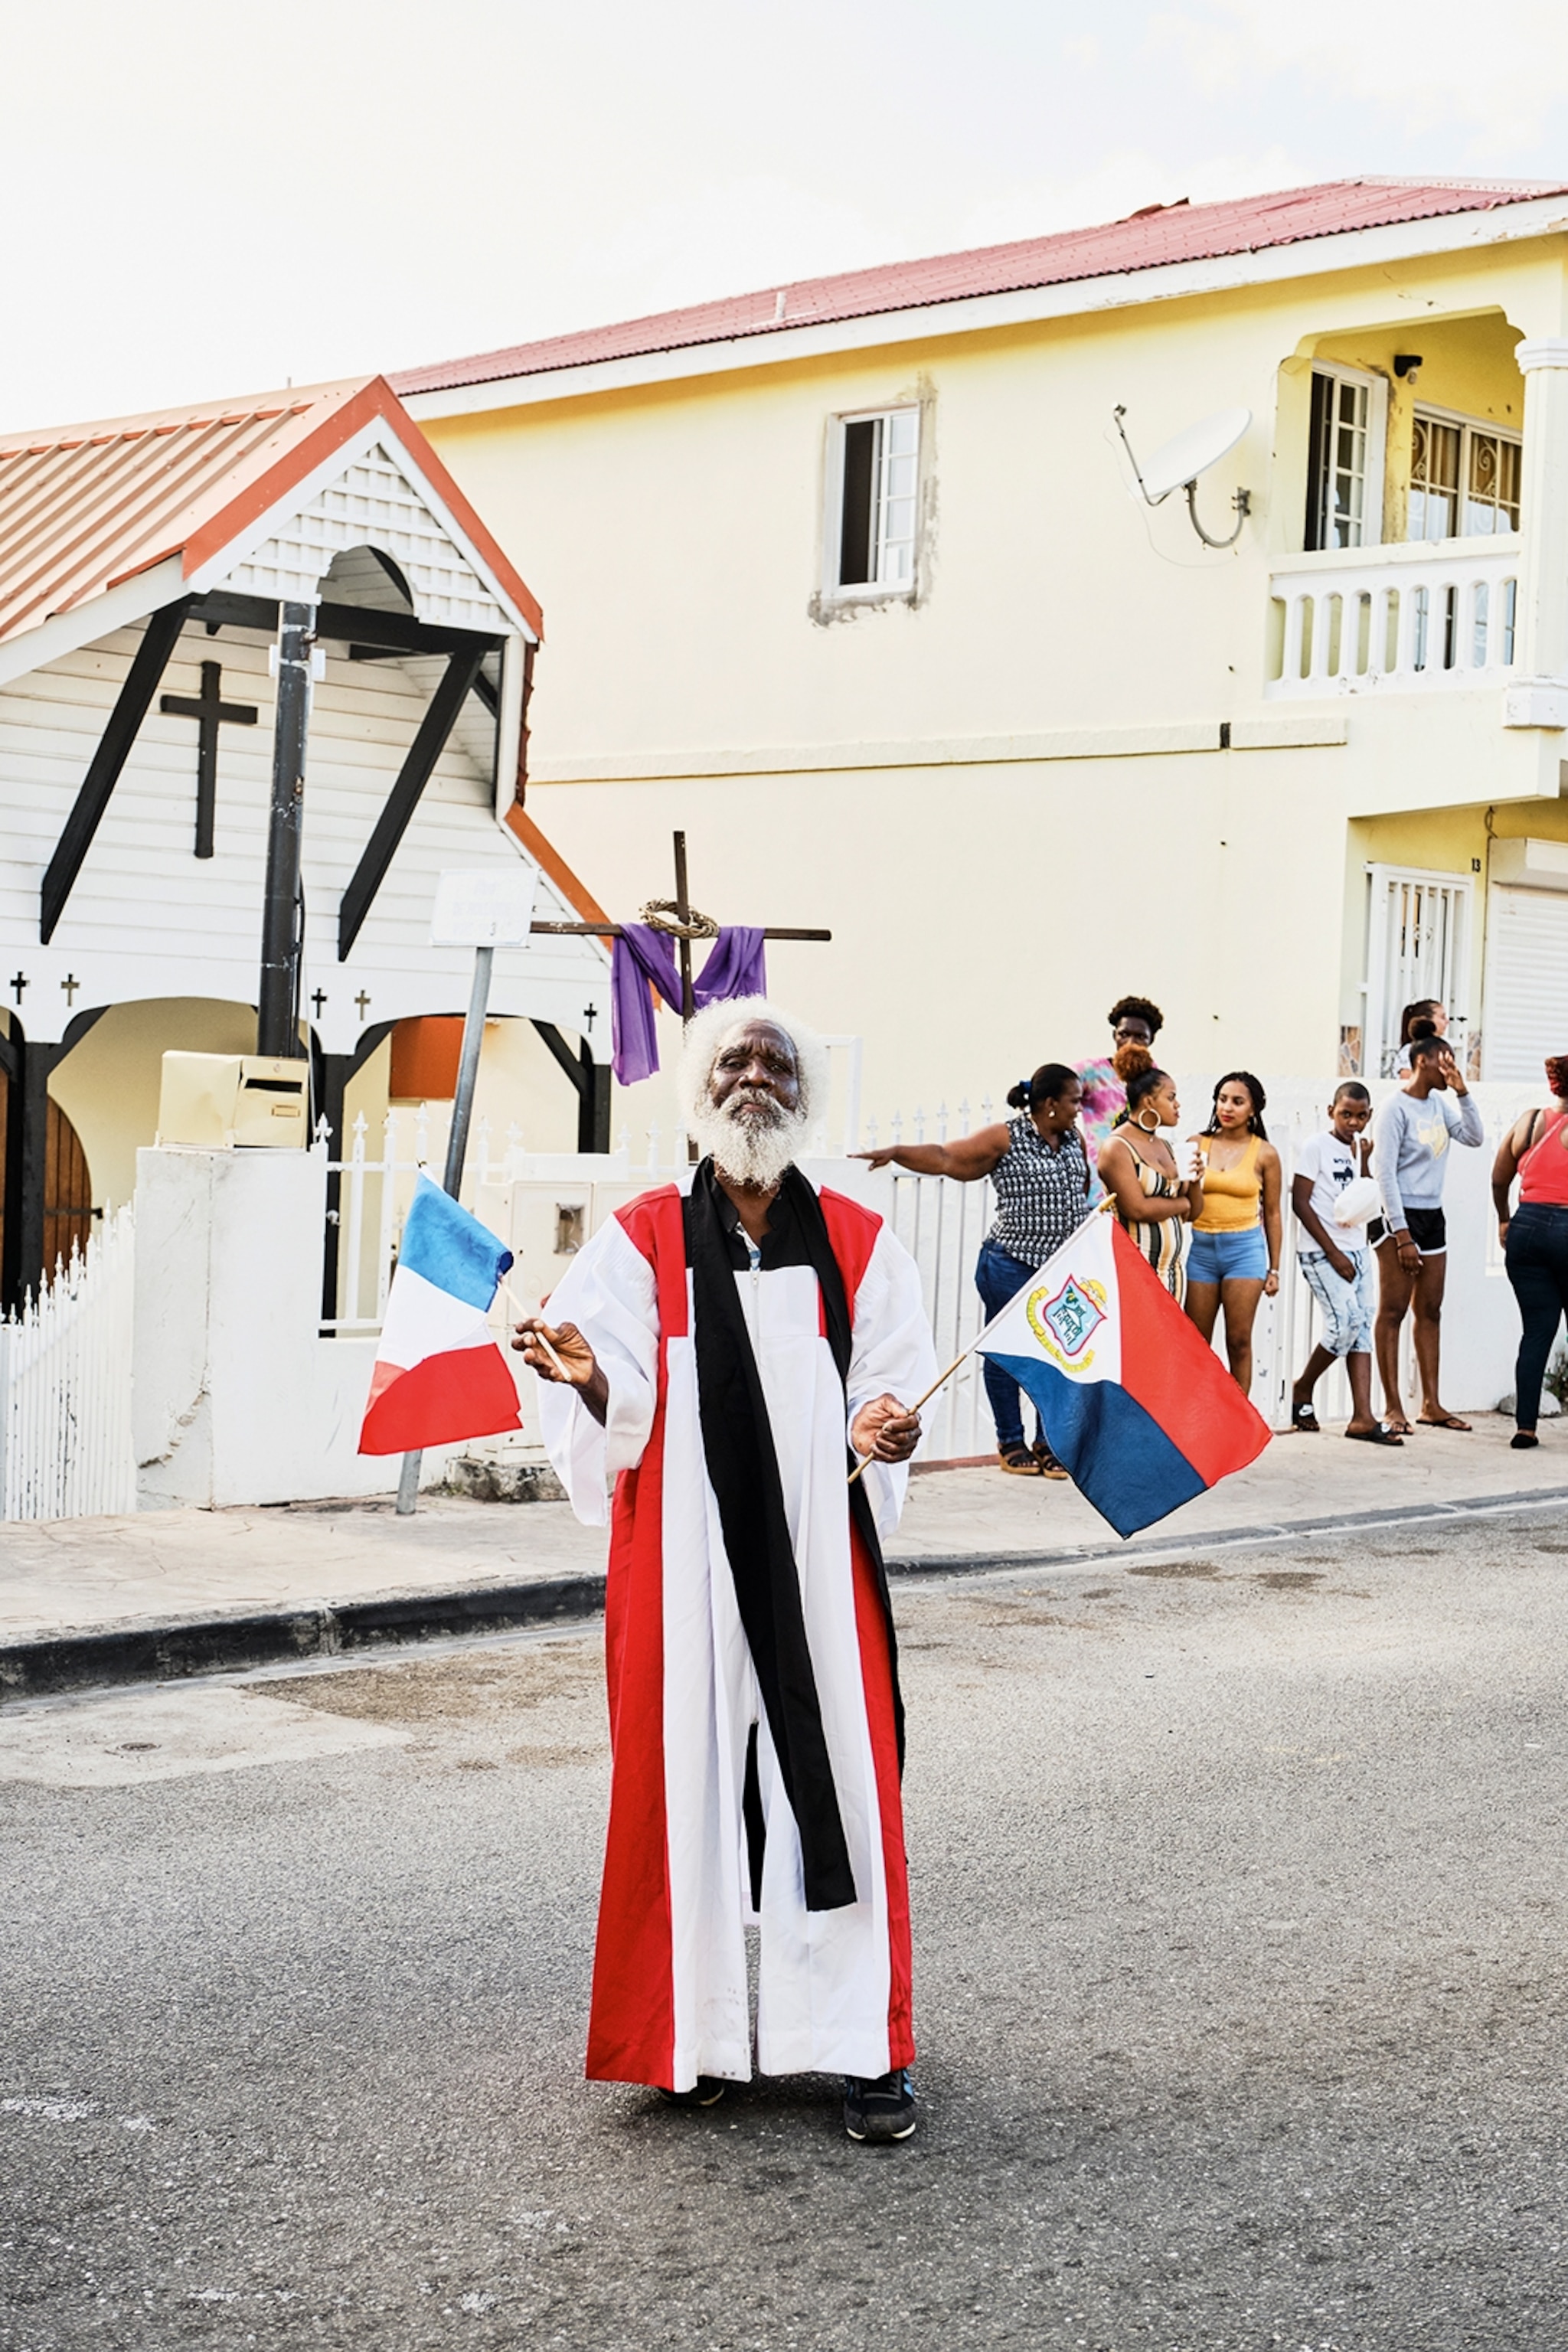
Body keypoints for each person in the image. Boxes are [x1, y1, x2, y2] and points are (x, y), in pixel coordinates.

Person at [512, 998, 937, 2146]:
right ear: (701, 1091)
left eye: (778, 1063)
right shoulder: (640, 1238)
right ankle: (689, 2043)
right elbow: (615, 1398)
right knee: (680, 1788)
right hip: (684, 1565)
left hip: (815, 1560)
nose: (757, 1077)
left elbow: (884, 1387)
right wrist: (586, 1378)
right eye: (735, 1061)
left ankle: (863, 2050)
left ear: (805, 1096)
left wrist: (881, 1428)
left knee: (843, 1786)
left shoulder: (856, 1239)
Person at [856, 1063, 1089, 1477]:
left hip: (1058, 1270)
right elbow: (948, 1157)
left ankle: (1048, 1442)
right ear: (1050, 1103)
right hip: (1010, 1264)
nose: (1079, 1108)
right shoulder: (1007, 1136)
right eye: (1074, 1100)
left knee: (1055, 1357)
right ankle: (1011, 1441)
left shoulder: (1074, 1140)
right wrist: (897, 1153)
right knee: (1007, 1356)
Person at [1372, 1026, 1484, 1434]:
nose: (1450, 1067)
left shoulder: (1439, 1105)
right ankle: (1392, 1407)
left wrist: (1462, 1091)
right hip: (1400, 1218)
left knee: (1430, 1310)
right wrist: (1402, 1235)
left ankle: (1431, 1404)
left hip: (1433, 1216)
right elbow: (1383, 1173)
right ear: (1423, 1060)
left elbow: (1474, 1136)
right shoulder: (1394, 1109)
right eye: (1446, 1060)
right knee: (1393, 1311)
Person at [1288, 1082, 1401, 1444]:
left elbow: (1358, 1197)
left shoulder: (1357, 1148)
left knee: (1362, 1325)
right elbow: (1301, 1202)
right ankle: (1303, 1388)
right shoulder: (1315, 1147)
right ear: (1331, 1111)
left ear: (1369, 1116)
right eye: (1345, 1114)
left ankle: (1363, 1418)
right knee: (1345, 1324)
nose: (1353, 1122)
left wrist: (1365, 1161)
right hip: (1324, 1252)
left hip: (1357, 1248)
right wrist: (1333, 1254)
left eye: (1360, 1116)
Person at [1184, 1073, 1283, 1396]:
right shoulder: (1196, 1145)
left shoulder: (1265, 1154)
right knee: (1196, 1341)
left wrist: (1274, 1268)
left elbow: (1272, 1213)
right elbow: (1182, 1200)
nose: (1227, 1107)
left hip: (1245, 1252)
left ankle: (1238, 1424)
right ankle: (1196, 1417)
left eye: (1238, 1102)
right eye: (1222, 1099)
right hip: (1202, 1252)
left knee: (1239, 1341)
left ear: (1253, 1109)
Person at [1491, 1054, 1568, 1449]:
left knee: (1537, 1332)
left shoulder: (1531, 1121)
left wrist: (1505, 1220)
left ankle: (1526, 1427)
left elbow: (1499, 1176)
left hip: (1527, 1229)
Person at [1096, 1065, 1202, 1302]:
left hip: (1173, 1273)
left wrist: (1195, 1181)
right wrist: (1182, 1204)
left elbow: (1193, 1212)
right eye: (1171, 1097)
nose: (1178, 1105)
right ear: (1149, 1102)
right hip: (1136, 1270)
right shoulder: (1118, 1147)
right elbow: (1136, 1208)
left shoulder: (1165, 1147)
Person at [1076, 995, 1164, 1174]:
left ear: (1151, 1040)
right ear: (1114, 1035)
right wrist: (1027, 1089)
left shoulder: (1156, 1077)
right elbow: (1056, 1083)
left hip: (1142, 1175)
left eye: (1140, 1037)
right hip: (1099, 1177)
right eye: (1124, 1034)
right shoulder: (1092, 1071)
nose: (1130, 1043)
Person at [1394, 998, 1448, 1076]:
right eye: (1442, 1017)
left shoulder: (1437, 1049)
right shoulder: (1409, 1051)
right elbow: (1407, 1080)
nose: (1447, 1021)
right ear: (1426, 1020)